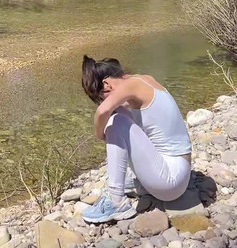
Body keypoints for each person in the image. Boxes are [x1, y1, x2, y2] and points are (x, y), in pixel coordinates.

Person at [80, 55, 192, 223]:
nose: (103, 99)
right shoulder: (144, 80)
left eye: (100, 95)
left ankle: (116, 202)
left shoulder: (130, 85)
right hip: (179, 173)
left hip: (171, 181)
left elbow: (102, 112)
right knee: (120, 115)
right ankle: (134, 184)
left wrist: (100, 135)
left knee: (115, 121)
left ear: (107, 84)